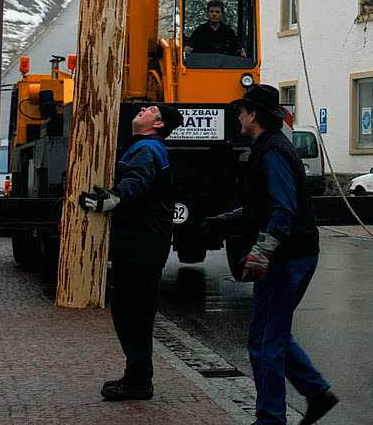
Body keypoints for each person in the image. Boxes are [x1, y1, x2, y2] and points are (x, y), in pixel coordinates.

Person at [202, 84, 338, 425]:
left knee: (265, 341)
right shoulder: (268, 148)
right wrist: (226, 220)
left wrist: (261, 252)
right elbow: (261, 207)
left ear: (254, 116)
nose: (238, 115)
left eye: (242, 110)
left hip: (286, 258)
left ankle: (271, 419)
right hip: (292, 254)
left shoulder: (272, 152)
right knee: (272, 333)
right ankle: (317, 393)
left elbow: (284, 208)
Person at [79, 102, 182, 401]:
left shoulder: (146, 149)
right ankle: (137, 377)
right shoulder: (147, 147)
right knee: (135, 311)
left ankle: (138, 381)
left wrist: (111, 199)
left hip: (141, 244)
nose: (144, 108)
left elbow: (136, 183)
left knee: (131, 312)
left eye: (151, 110)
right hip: (146, 243)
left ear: (158, 124)